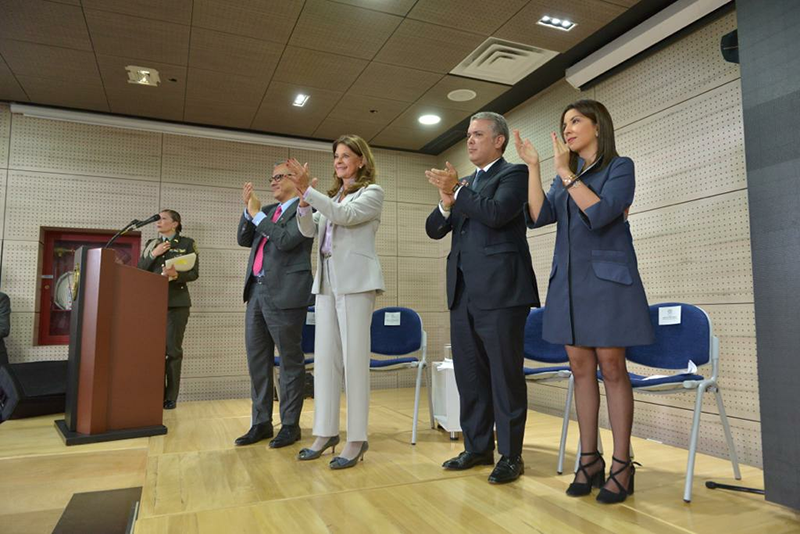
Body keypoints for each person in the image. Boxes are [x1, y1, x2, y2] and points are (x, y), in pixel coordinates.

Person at [514, 99, 653, 504]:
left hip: (608, 283)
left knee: (612, 367)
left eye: (575, 121)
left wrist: (564, 172)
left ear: (597, 125)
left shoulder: (619, 167)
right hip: (569, 284)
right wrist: (535, 167)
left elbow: (602, 214)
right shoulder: (566, 174)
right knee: (579, 368)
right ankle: (589, 459)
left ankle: (622, 464)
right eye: (564, 124)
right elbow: (539, 216)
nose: (568, 129)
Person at [425, 111, 539, 484]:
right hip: (463, 293)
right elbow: (434, 229)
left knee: (505, 376)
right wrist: (446, 202)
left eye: (477, 134)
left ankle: (511, 455)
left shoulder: (514, 174)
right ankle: (477, 447)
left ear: (499, 140)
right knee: (470, 375)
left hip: (503, 292)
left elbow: (497, 213)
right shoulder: (466, 184)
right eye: (468, 135)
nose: (470, 140)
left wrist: (458, 192)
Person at [286, 134, 384, 470]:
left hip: (356, 282)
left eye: (345, 155)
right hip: (327, 281)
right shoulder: (332, 197)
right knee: (325, 361)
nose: (339, 161)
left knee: (354, 361)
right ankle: (325, 432)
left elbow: (345, 216)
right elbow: (308, 230)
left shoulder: (372, 193)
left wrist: (309, 193)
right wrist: (303, 204)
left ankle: (356, 438)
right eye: (336, 156)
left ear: (361, 160)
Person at [235, 163, 314, 448]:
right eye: (271, 177)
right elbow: (244, 239)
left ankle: (290, 424)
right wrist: (249, 211)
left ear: (295, 179)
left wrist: (257, 215)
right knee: (257, 360)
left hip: (287, 292)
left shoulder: (305, 208)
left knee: (290, 361)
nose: (272, 182)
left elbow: (286, 240)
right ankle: (261, 422)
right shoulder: (266, 211)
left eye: (279, 176)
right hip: (256, 290)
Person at [137, 210, 199, 410]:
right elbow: (140, 269)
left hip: (176, 304)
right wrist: (153, 254)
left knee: (172, 351)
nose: (158, 222)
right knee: (153, 351)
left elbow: (194, 273)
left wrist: (176, 275)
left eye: (163, 219)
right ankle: (154, 393)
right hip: (153, 303)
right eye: (157, 218)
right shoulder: (151, 244)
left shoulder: (187, 244)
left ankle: (170, 397)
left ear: (175, 224)